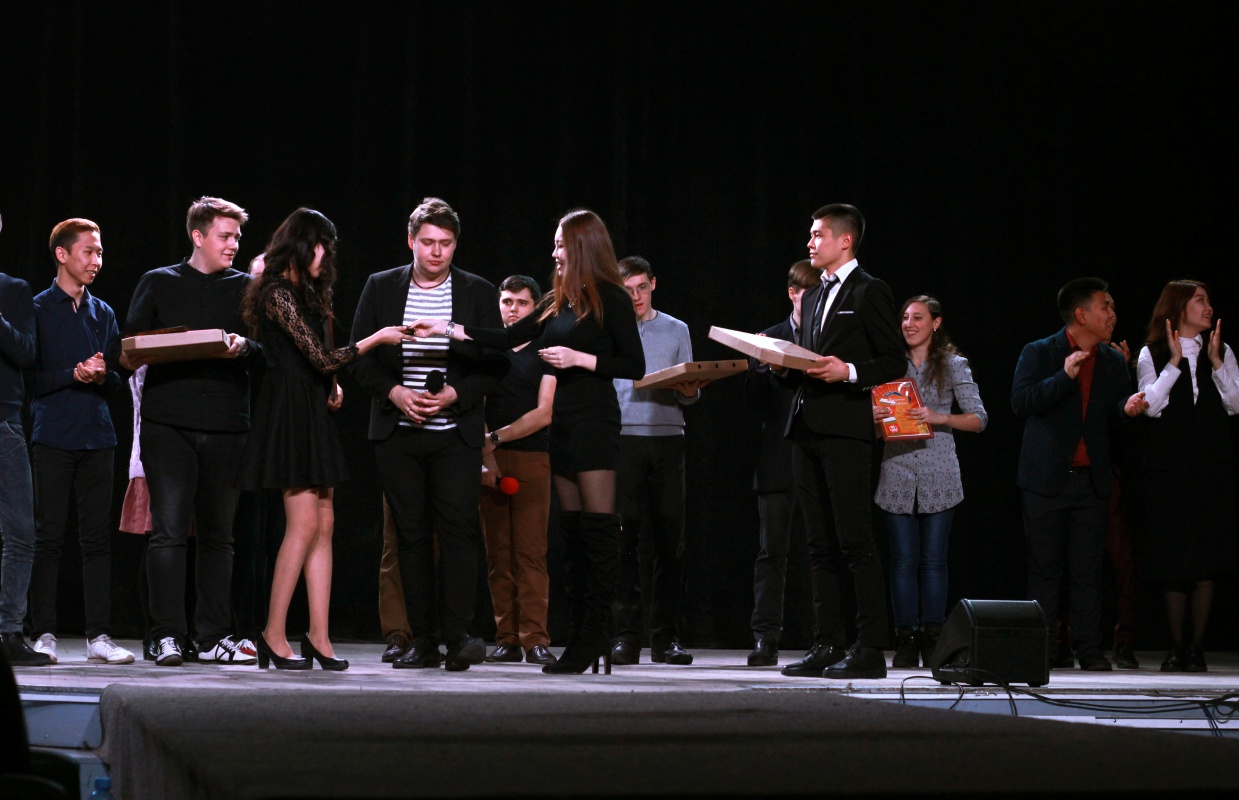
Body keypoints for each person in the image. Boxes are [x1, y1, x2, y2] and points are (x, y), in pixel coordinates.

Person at [410, 208, 646, 675]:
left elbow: (633, 365)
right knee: (572, 535)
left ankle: (597, 633)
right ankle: (580, 634)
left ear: (582, 246)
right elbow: (506, 338)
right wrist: (448, 328)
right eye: (555, 244)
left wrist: (578, 358)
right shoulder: (558, 300)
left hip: (595, 422)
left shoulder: (611, 298)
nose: (555, 252)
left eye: (561, 244)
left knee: (599, 532)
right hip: (564, 427)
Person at [239, 208, 411, 670]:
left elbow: (319, 362)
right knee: (302, 524)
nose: (325, 256)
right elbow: (319, 357)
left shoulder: (307, 294)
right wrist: (376, 339)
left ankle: (319, 635)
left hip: (311, 409)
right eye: (320, 246)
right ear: (300, 245)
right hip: (288, 415)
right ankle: (273, 633)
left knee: (325, 523)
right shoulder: (276, 292)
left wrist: (332, 386)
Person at [351, 197, 505, 672]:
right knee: (411, 536)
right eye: (428, 242)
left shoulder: (477, 290)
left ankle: (458, 636)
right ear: (411, 241)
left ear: (456, 244)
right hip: (398, 433)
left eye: (446, 243)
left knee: (458, 533)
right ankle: (422, 639)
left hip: (454, 433)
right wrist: (396, 393)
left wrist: (455, 393)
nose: (437, 252)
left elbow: (497, 363)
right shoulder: (381, 286)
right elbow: (360, 358)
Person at [121, 196, 262, 666]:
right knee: (169, 532)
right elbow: (129, 346)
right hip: (169, 425)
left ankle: (213, 636)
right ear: (197, 237)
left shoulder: (248, 289)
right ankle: (166, 635)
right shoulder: (159, 281)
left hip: (227, 425)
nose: (234, 244)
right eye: (225, 235)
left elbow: (268, 353)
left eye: (237, 236)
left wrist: (244, 347)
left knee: (220, 535)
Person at [775, 204, 905, 680]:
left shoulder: (869, 290)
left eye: (818, 235)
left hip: (847, 431)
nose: (810, 243)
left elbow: (893, 361)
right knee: (818, 545)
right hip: (806, 427)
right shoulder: (812, 296)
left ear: (844, 240)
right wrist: (780, 364)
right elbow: (809, 363)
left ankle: (869, 647)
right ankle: (826, 642)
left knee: (855, 541)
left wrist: (848, 370)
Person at [1012, 277, 1148, 672]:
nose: (1113, 314)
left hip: (1091, 481)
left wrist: (1127, 409)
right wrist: (1063, 377)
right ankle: (1043, 649)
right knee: (1044, 572)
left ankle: (1089, 648)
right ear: (1081, 314)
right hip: (1045, 482)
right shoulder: (1040, 352)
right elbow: (1021, 402)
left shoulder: (1111, 361)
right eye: (1106, 306)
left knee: (1088, 571)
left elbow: (1112, 418)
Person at [28, 219, 134, 665]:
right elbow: (29, 378)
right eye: (89, 252)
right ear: (62, 254)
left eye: (100, 252)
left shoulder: (103, 312)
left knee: (97, 541)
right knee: (48, 538)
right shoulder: (36, 308)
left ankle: (99, 637)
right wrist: (72, 373)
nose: (96, 261)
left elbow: (118, 381)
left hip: (98, 437)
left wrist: (103, 374)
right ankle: (43, 633)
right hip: (53, 434)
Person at [872, 296, 987, 669]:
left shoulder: (953, 365)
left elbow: (979, 419)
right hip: (898, 470)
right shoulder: (890, 364)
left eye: (918, 317)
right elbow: (875, 426)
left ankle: (933, 637)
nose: (909, 323)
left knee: (934, 560)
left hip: (939, 471)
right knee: (903, 560)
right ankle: (906, 638)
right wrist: (875, 418)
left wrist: (940, 417)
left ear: (935, 323)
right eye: (905, 317)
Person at [1136, 280, 1238, 672]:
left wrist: (1215, 363)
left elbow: (1236, 404)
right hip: (1169, 471)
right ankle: (1176, 647)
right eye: (1200, 301)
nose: (1208, 307)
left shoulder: (1221, 350)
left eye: (1208, 301)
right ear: (1179, 308)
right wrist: (1174, 364)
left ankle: (1197, 648)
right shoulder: (1152, 352)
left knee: (1206, 557)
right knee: (1173, 557)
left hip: (1212, 468)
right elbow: (1150, 406)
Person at [610, 256, 705, 666]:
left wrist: (690, 389)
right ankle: (625, 637)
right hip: (624, 439)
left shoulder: (676, 328)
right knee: (624, 540)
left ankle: (666, 638)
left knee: (669, 541)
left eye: (642, 288)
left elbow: (690, 394)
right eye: (627, 290)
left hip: (668, 439)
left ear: (653, 285)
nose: (636, 296)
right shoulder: (610, 329)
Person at [745, 260, 823, 666]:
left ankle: (824, 638)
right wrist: (762, 367)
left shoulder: (828, 335)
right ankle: (766, 638)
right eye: (809, 294)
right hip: (777, 457)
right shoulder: (771, 337)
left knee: (821, 551)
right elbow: (752, 404)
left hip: (818, 454)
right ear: (793, 293)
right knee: (771, 551)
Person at [479, 275, 558, 666]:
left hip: (531, 457)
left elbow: (544, 413)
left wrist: (496, 438)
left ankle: (535, 639)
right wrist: (487, 453)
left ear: (535, 308)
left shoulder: (545, 351)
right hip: (490, 459)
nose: (513, 309)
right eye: (507, 301)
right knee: (498, 554)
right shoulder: (487, 350)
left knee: (530, 553)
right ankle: (507, 638)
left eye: (522, 303)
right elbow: (474, 404)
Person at [0, 212, 50, 666]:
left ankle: (9, 633)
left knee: (20, 531)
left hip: (4, 423)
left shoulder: (13, 290)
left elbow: (26, 352)